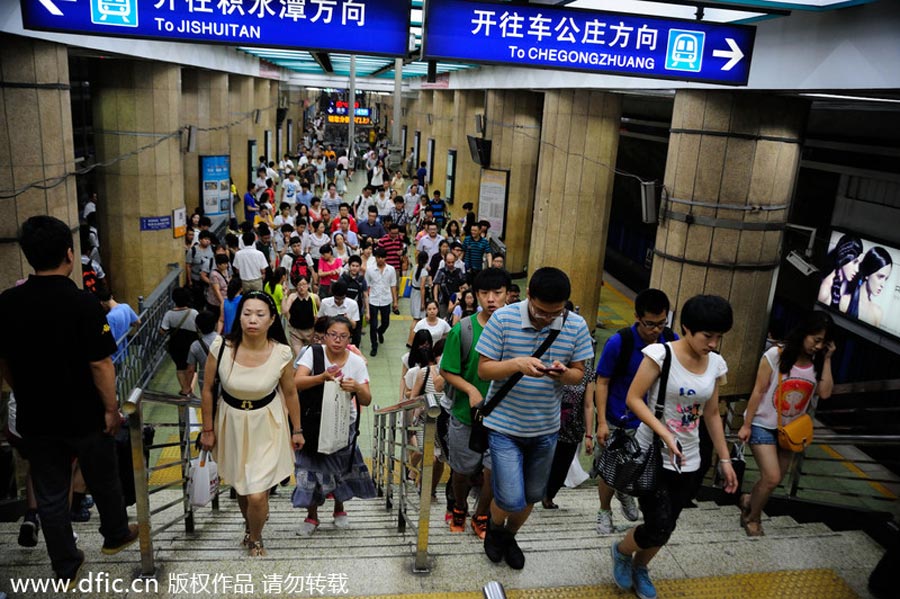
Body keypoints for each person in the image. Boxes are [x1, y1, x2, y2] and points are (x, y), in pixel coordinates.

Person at [0, 215, 139, 586]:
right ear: (69, 255)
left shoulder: (7, 303)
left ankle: (65, 564)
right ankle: (115, 534)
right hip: (85, 414)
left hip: (37, 417)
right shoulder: (84, 304)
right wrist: (111, 409)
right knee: (103, 475)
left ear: (29, 256)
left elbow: (4, 362)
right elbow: (100, 364)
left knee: (49, 490)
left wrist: (23, 391)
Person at [610, 295, 738, 599]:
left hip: (690, 459)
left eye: (719, 336)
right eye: (708, 336)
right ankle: (621, 550)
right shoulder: (660, 355)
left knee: (668, 526)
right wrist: (664, 433)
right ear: (686, 328)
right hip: (653, 455)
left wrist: (725, 459)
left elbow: (710, 413)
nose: (713, 343)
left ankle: (641, 566)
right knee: (658, 524)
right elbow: (634, 398)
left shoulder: (715, 363)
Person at [476, 267, 594, 569]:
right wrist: (516, 364)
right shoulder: (503, 319)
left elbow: (579, 375)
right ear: (528, 295)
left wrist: (563, 373)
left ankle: (508, 537)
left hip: (546, 428)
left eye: (554, 314)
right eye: (541, 312)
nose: (546, 319)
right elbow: (484, 369)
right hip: (504, 425)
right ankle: (494, 529)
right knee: (511, 496)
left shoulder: (576, 326)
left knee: (531, 494)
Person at [200, 291, 302, 557]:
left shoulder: (282, 353)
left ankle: (256, 537)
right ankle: (250, 525)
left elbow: (290, 392)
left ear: (271, 320)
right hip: (231, 423)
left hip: (267, 424)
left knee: (257, 493)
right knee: (242, 487)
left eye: (260, 314)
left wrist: (297, 429)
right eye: (247, 314)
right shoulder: (221, 347)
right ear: (239, 317)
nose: (252, 320)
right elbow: (208, 389)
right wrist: (207, 429)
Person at [738, 312, 835, 537]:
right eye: (816, 339)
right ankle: (752, 518)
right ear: (804, 333)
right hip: (763, 424)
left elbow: (825, 393)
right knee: (771, 477)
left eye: (823, 342)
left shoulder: (818, 363)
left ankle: (749, 500)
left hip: (791, 431)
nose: (818, 346)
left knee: (774, 480)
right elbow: (758, 390)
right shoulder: (776, 354)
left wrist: (828, 359)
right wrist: (747, 424)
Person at [593, 289, 676, 534]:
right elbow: (602, 381)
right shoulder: (620, 342)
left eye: (661, 323)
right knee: (609, 469)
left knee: (639, 467)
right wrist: (601, 422)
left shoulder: (670, 340)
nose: (656, 330)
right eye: (650, 324)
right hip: (619, 417)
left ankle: (625, 492)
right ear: (637, 317)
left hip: (651, 421)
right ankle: (604, 510)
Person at [440, 267, 510, 539]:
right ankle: (459, 507)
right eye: (484, 293)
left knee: (494, 473)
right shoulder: (465, 330)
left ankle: (482, 515)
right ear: (475, 295)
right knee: (461, 471)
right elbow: (447, 370)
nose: (491, 299)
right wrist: (470, 389)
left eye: (498, 293)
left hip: (504, 419)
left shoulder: (516, 330)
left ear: (508, 295)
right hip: (466, 415)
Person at [293, 316, 376, 535]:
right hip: (313, 423)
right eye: (333, 335)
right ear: (325, 335)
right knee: (311, 471)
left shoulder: (356, 362)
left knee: (340, 470)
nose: (337, 340)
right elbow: (296, 382)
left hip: (341, 425)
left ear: (350, 338)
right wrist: (321, 377)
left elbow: (367, 399)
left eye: (343, 336)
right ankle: (311, 516)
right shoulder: (313, 353)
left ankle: (340, 509)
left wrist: (357, 387)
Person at [544, 322, 595, 510]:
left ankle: (549, 496)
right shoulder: (550, 366)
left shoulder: (587, 373)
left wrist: (589, 435)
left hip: (572, 428)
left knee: (561, 467)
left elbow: (589, 405)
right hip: (546, 424)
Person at [161, 287, 200, 397]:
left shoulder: (169, 314)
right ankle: (189, 389)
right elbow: (199, 328)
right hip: (191, 344)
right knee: (191, 367)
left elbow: (162, 330)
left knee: (180, 367)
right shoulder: (193, 313)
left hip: (175, 344)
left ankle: (185, 389)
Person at [843, 247, 893, 327]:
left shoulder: (877, 313)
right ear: (868, 273)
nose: (883, 284)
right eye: (880, 277)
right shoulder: (845, 301)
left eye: (886, 279)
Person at [365, 247, 398, 357]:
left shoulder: (391, 270)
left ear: (386, 258)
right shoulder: (370, 270)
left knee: (386, 323)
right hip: (373, 300)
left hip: (386, 299)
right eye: (378, 257)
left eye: (382, 257)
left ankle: (381, 332)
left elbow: (393, 285)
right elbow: (367, 286)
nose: (380, 260)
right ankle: (374, 346)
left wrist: (395, 302)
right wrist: (366, 306)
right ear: (375, 258)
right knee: (373, 325)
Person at [817, 234, 863, 308]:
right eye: (854, 262)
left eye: (859, 264)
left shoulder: (849, 286)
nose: (857, 270)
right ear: (843, 258)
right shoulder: (825, 291)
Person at [98, 290, 141, 361]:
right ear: (111, 296)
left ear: (102, 303)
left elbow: (108, 336)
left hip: (114, 354)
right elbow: (138, 321)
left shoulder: (109, 317)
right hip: (124, 348)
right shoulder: (125, 307)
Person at [283, 276, 320, 357]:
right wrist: (284, 295)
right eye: (299, 285)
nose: (301, 287)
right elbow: (285, 310)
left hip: (311, 332)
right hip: (296, 332)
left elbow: (319, 311)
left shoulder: (314, 297)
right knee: (299, 357)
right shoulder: (292, 296)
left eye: (304, 284)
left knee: (311, 357)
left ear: (308, 285)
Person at [186, 311, 218, 394]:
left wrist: (187, 387)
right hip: (222, 377)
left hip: (205, 378)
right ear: (215, 325)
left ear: (198, 327)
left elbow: (190, 370)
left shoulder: (195, 346)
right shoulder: (224, 341)